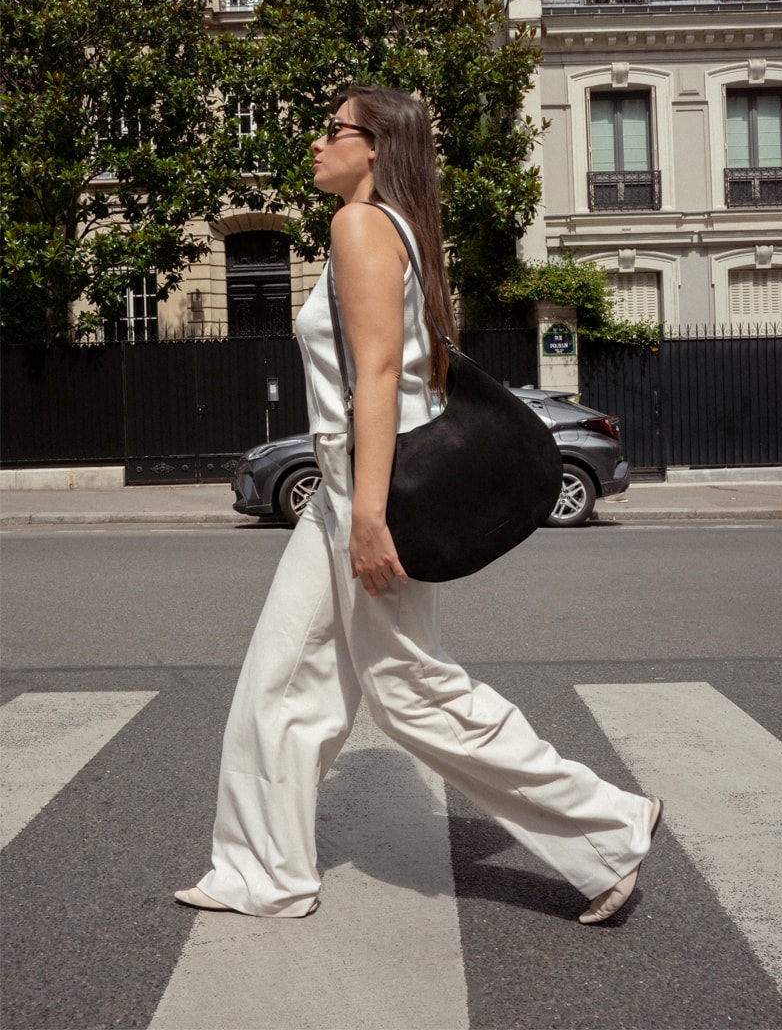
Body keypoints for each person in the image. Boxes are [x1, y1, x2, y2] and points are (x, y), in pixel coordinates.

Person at [175, 85, 663, 925]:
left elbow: (374, 378)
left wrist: (368, 517)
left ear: (376, 146)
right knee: (281, 684)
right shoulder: (395, 229)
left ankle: (607, 825)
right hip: (344, 486)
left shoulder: (360, 225)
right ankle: (264, 872)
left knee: (409, 690)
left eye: (333, 128)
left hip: (367, 490)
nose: (317, 142)